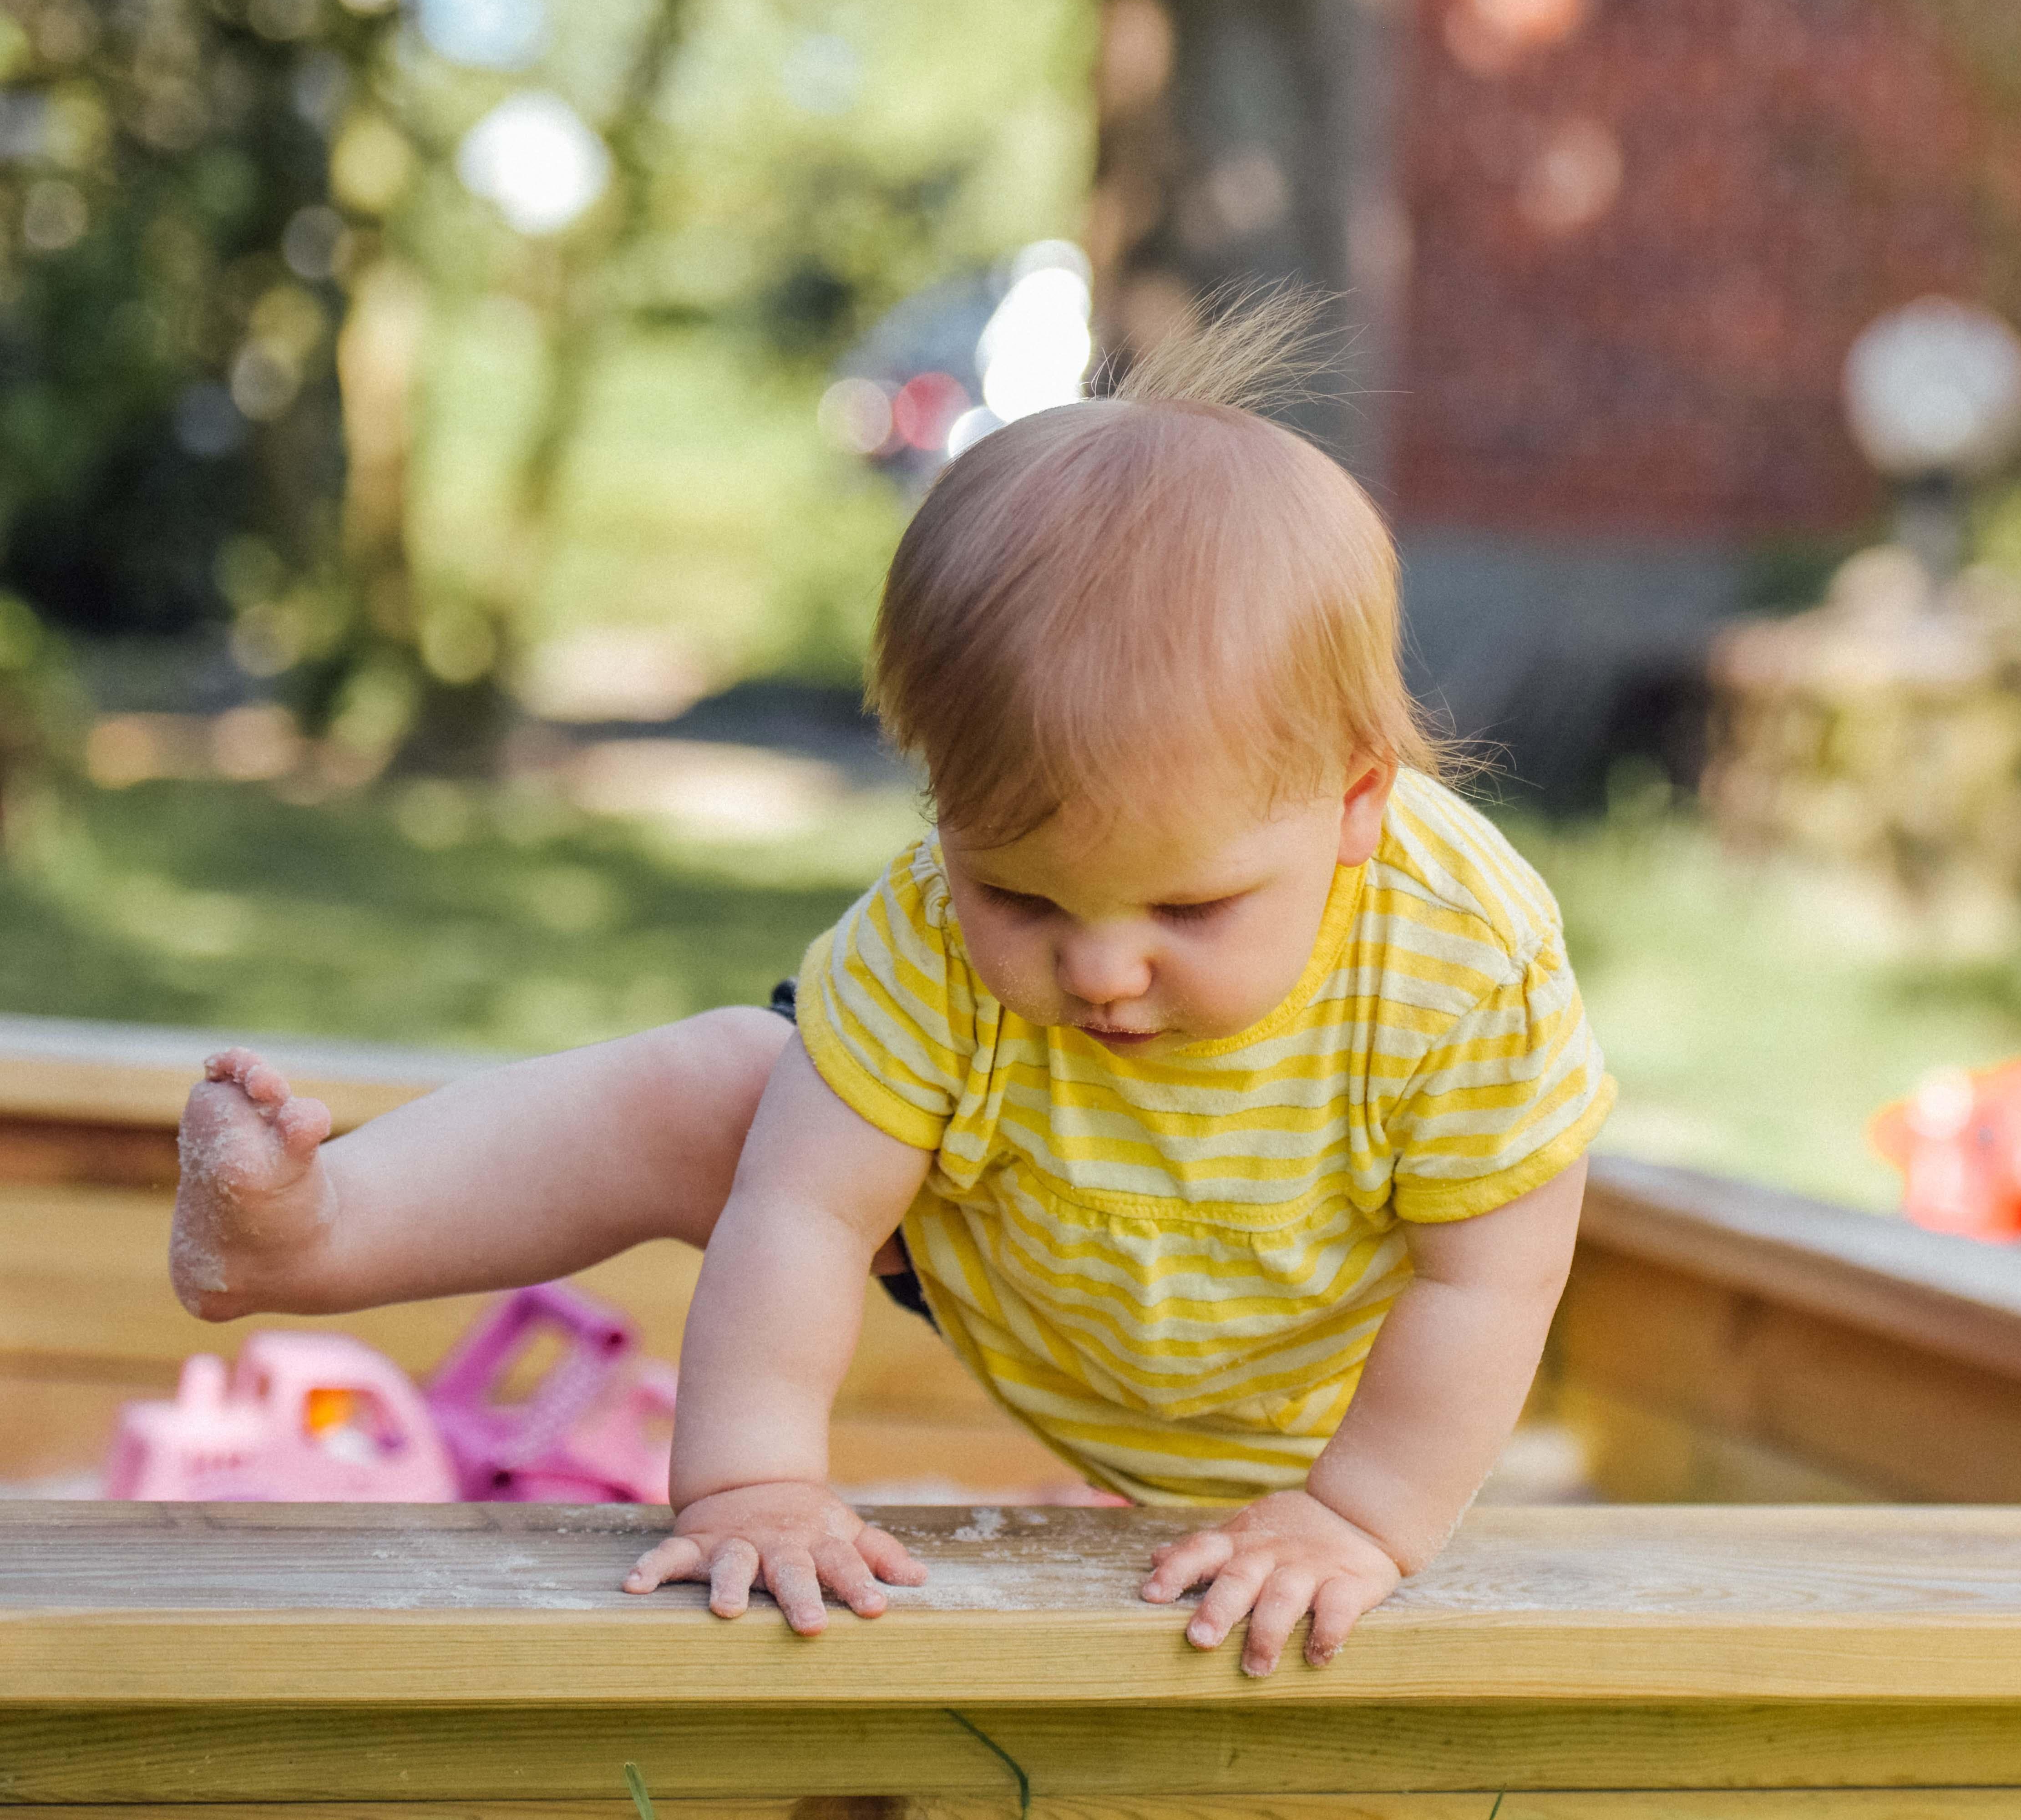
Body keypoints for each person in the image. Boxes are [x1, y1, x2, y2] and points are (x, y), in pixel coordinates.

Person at [162, 294, 1615, 1675]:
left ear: (1356, 805)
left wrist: (1357, 1516)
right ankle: (313, 1231)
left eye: (1191, 905)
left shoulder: (1455, 960)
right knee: (729, 1088)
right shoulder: (923, 935)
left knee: (1423, 1336)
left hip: (1322, 1376)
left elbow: (1492, 1272)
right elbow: (802, 1213)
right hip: (1026, 1246)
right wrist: (751, 1484)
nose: (1101, 970)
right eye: (1021, 895)